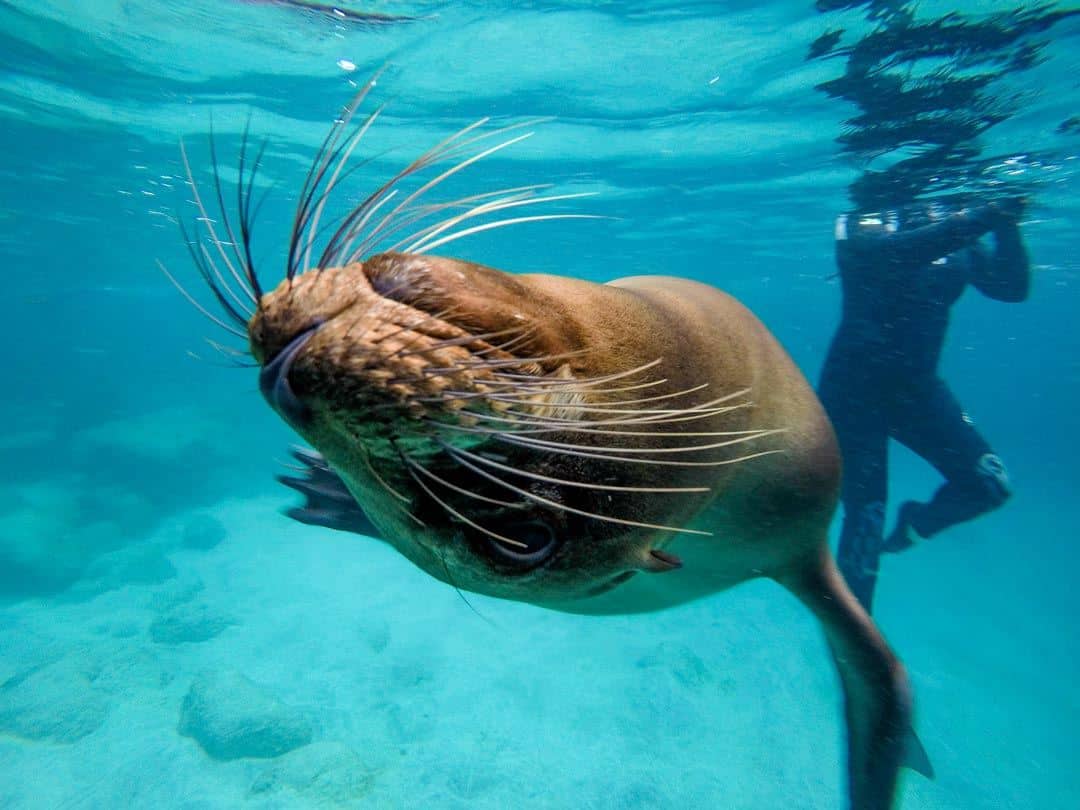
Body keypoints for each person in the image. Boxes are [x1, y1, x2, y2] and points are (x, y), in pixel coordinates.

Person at [818, 197, 1030, 611]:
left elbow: (1010, 287)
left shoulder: (954, 222)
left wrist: (1006, 226)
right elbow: (893, 256)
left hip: (918, 390)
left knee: (991, 486)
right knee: (865, 519)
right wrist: (984, 216)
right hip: (854, 393)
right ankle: (855, 647)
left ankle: (915, 525)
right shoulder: (862, 220)